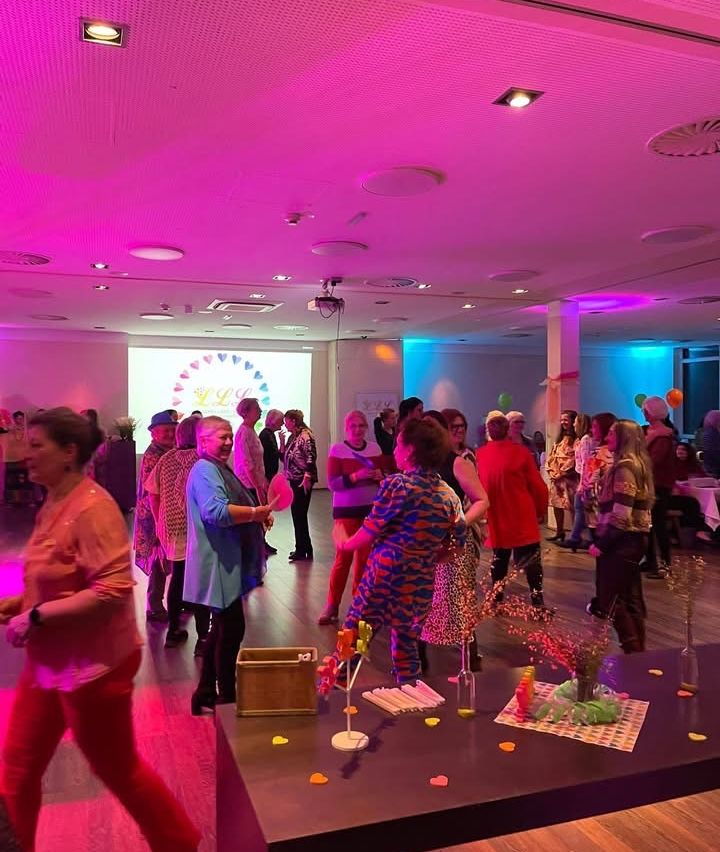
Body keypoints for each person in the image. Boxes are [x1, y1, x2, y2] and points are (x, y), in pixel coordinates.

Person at [0, 407, 200, 852]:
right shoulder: (53, 500)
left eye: (37, 446)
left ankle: (181, 843)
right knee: (17, 767)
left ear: (69, 452)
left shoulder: (93, 508)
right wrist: (20, 603)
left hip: (94, 669)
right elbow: (56, 576)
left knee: (119, 770)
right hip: (49, 662)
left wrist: (34, 617)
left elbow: (110, 589)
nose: (25, 455)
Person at [331, 418, 465, 684]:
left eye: (398, 444)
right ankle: (409, 701)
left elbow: (370, 530)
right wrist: (424, 557)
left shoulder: (398, 485)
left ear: (411, 450)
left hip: (383, 577)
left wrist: (343, 542)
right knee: (406, 647)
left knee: (354, 636)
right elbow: (457, 547)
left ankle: (333, 697)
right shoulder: (449, 495)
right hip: (420, 583)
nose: (394, 450)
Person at [183, 417, 273, 714]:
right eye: (221, 437)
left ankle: (206, 690)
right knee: (231, 628)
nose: (227, 442)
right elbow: (216, 513)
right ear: (203, 441)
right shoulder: (205, 470)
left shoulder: (214, 468)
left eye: (229, 437)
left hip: (224, 561)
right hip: (218, 562)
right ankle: (226, 694)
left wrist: (256, 515)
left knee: (222, 628)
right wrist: (254, 513)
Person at [420, 411, 489, 666]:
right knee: (422, 600)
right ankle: (418, 661)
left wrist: (460, 523)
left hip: (453, 543)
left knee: (459, 602)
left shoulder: (458, 462)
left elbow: (482, 500)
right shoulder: (418, 463)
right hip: (425, 543)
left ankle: (469, 660)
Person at [145, 415, 210, 652]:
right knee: (201, 583)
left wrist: (160, 517)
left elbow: (152, 492)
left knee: (178, 579)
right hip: (198, 528)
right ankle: (203, 639)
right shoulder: (204, 459)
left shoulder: (166, 458)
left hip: (171, 529)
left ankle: (173, 631)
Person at [588, 420, 653, 654]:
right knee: (630, 598)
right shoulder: (636, 465)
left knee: (613, 600)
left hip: (623, 541)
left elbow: (621, 514)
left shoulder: (625, 468)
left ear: (624, 438)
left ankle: (633, 651)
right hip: (633, 541)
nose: (608, 437)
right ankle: (639, 653)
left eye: (614, 434)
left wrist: (602, 543)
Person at [477, 413, 550, 611]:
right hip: (522, 515)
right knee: (532, 562)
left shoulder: (481, 455)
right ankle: (537, 602)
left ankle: (496, 598)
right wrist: (541, 510)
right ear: (507, 429)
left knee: (499, 559)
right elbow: (538, 487)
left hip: (498, 516)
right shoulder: (520, 453)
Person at [319, 410, 384, 625]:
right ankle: (332, 604)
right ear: (346, 429)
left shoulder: (374, 448)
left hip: (369, 510)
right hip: (345, 512)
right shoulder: (338, 449)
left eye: (361, 426)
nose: (357, 430)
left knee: (365, 561)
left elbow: (383, 477)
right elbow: (332, 484)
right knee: (342, 558)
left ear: (366, 428)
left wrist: (378, 476)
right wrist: (355, 477)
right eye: (353, 426)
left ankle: (359, 605)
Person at [133, 411, 177, 620]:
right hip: (156, 515)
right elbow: (155, 493)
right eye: (165, 430)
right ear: (153, 434)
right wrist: (160, 522)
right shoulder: (154, 455)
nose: (170, 434)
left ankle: (175, 601)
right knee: (159, 561)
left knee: (171, 559)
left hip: (167, 514)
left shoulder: (168, 451)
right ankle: (154, 606)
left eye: (172, 430)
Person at [561, 412, 616, 551]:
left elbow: (595, 475)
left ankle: (576, 538)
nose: (592, 430)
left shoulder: (607, 455)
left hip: (603, 507)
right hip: (594, 505)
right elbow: (590, 472)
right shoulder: (597, 452)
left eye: (596, 427)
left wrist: (585, 486)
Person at [642, 396, 675, 578]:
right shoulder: (651, 432)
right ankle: (650, 561)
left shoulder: (663, 436)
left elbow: (653, 462)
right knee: (648, 525)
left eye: (646, 411)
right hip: (649, 484)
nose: (644, 414)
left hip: (659, 485)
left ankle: (664, 564)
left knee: (658, 524)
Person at [283, 409, 318, 561]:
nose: (285, 424)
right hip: (294, 479)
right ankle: (304, 547)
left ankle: (302, 549)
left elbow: (311, 456)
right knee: (298, 514)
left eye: (287, 421)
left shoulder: (305, 436)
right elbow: (285, 458)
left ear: (293, 421)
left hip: (302, 481)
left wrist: (307, 476)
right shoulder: (294, 436)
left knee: (299, 514)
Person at [558, 413, 592, 549]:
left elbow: (586, 463)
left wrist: (583, 484)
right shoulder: (582, 439)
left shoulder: (585, 440)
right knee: (582, 509)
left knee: (579, 508)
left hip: (583, 478)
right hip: (582, 477)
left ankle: (575, 538)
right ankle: (582, 537)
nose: (573, 424)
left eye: (575, 422)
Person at [545, 409, 579, 542]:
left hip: (569, 479)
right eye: (562, 420)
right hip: (557, 479)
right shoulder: (560, 438)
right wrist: (552, 471)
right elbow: (553, 455)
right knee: (556, 504)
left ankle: (576, 535)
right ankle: (560, 531)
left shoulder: (577, 440)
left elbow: (575, 459)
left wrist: (563, 473)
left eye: (566, 419)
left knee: (572, 506)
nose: (563, 422)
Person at [4, 411, 31, 507]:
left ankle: (25, 501)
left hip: (24, 458)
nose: (20, 420)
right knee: (12, 480)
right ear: (14, 419)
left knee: (26, 480)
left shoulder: (27, 430)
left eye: (22, 418)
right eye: (18, 418)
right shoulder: (9, 429)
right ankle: (11, 502)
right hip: (11, 458)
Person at [259, 408, 285, 482]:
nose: (283, 423)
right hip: (267, 475)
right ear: (275, 421)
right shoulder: (266, 435)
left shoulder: (270, 434)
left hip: (270, 474)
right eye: (281, 420)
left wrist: (282, 442)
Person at [702, 410, 720, 477]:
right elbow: (714, 452)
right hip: (714, 470)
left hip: (712, 468)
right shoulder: (711, 433)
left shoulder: (711, 431)